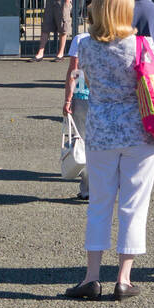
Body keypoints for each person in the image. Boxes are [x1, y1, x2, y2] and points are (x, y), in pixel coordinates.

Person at [63, 0, 154, 301]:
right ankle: (123, 278)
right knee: (134, 204)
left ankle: (91, 277)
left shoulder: (85, 45)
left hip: (101, 131)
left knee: (99, 205)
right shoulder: (143, 45)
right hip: (139, 133)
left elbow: (88, 83)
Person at [63, 21, 93, 202]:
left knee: (84, 142)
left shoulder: (81, 40)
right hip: (105, 97)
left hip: (82, 95)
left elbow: (74, 71)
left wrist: (68, 99)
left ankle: (88, 189)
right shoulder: (115, 38)